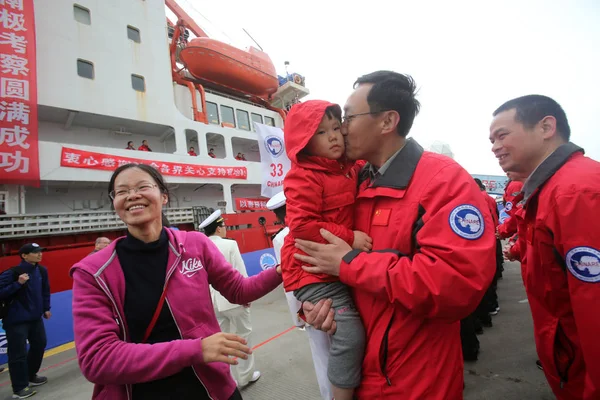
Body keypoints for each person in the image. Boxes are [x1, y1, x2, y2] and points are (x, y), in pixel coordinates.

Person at [295, 71, 496, 399]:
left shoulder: (443, 182)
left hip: (415, 383)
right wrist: (318, 306)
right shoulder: (352, 181)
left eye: (348, 117)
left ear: (387, 121)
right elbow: (315, 252)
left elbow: (455, 285)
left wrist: (349, 263)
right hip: (363, 375)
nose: (341, 127)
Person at [70, 163, 283, 400]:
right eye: (121, 191)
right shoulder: (93, 272)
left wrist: (281, 270)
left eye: (142, 186)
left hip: (214, 387)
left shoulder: (195, 244)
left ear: (164, 196)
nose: (132, 195)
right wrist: (195, 350)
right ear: (115, 203)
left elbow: (238, 290)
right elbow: (97, 359)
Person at [489, 95, 600, 399]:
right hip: (567, 358)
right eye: (491, 140)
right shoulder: (549, 189)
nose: (494, 147)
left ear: (546, 127)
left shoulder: (576, 192)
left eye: (502, 135)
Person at [282, 100, 370, 400]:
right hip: (312, 272)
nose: (334, 136)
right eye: (321, 132)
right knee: (350, 334)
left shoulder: (349, 168)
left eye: (336, 127)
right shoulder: (303, 175)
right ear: (304, 142)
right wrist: (350, 238)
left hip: (332, 268)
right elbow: (302, 224)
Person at [266, 191, 334, 400]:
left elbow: (290, 280)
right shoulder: (320, 225)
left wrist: (298, 318)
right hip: (338, 296)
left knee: (323, 358)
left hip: (309, 305)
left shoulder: (280, 239)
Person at [200, 210, 261, 388]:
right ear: (218, 229)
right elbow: (240, 272)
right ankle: (246, 376)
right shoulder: (230, 245)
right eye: (224, 226)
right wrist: (246, 295)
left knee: (220, 344)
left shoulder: (200, 246)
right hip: (233, 300)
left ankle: (227, 381)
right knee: (244, 336)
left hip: (211, 303)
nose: (225, 229)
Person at [0, 243, 51, 399]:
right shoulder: (13, 273)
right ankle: (19, 388)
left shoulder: (42, 270)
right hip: (16, 320)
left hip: (35, 318)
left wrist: (46, 308)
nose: (39, 254)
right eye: (35, 252)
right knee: (18, 354)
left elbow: (45, 291)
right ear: (24, 255)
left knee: (40, 344)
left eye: (40, 252)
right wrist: (18, 284)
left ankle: (30, 375)